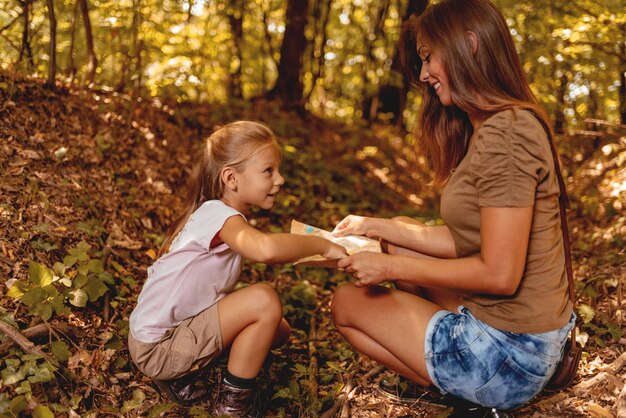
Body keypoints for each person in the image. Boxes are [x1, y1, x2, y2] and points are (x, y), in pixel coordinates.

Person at [329, 0, 575, 411]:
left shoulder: (506, 135)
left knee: (346, 303)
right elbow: (470, 240)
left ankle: (470, 396)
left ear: (469, 45)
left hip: (511, 357)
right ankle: (452, 372)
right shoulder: (495, 125)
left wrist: (389, 268)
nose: (424, 75)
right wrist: (378, 227)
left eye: (428, 58)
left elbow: (499, 274)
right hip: (526, 337)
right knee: (402, 234)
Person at [128, 121, 346, 417]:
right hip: (158, 348)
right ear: (231, 178)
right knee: (265, 300)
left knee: (278, 330)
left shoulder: (216, 213)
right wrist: (320, 244)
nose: (280, 179)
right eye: (268, 171)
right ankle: (233, 404)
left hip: (167, 334)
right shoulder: (220, 215)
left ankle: (199, 372)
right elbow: (265, 249)